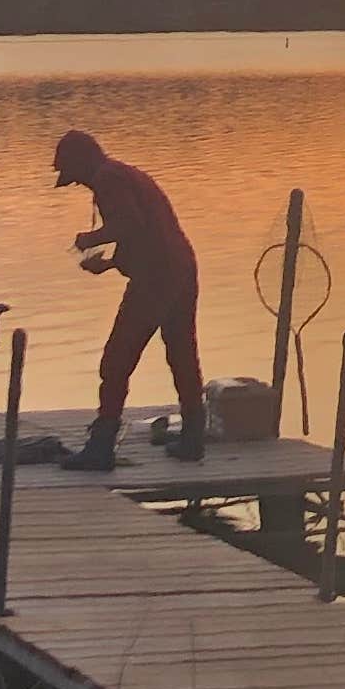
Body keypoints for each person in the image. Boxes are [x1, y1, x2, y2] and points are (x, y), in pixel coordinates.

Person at [52, 128, 205, 472]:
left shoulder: (107, 179)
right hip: (181, 267)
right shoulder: (124, 173)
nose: (78, 184)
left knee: (116, 361)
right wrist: (107, 264)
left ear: (83, 162)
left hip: (156, 278)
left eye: (75, 176)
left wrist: (90, 237)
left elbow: (129, 223)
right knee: (181, 353)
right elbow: (144, 232)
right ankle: (194, 438)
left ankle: (101, 447)